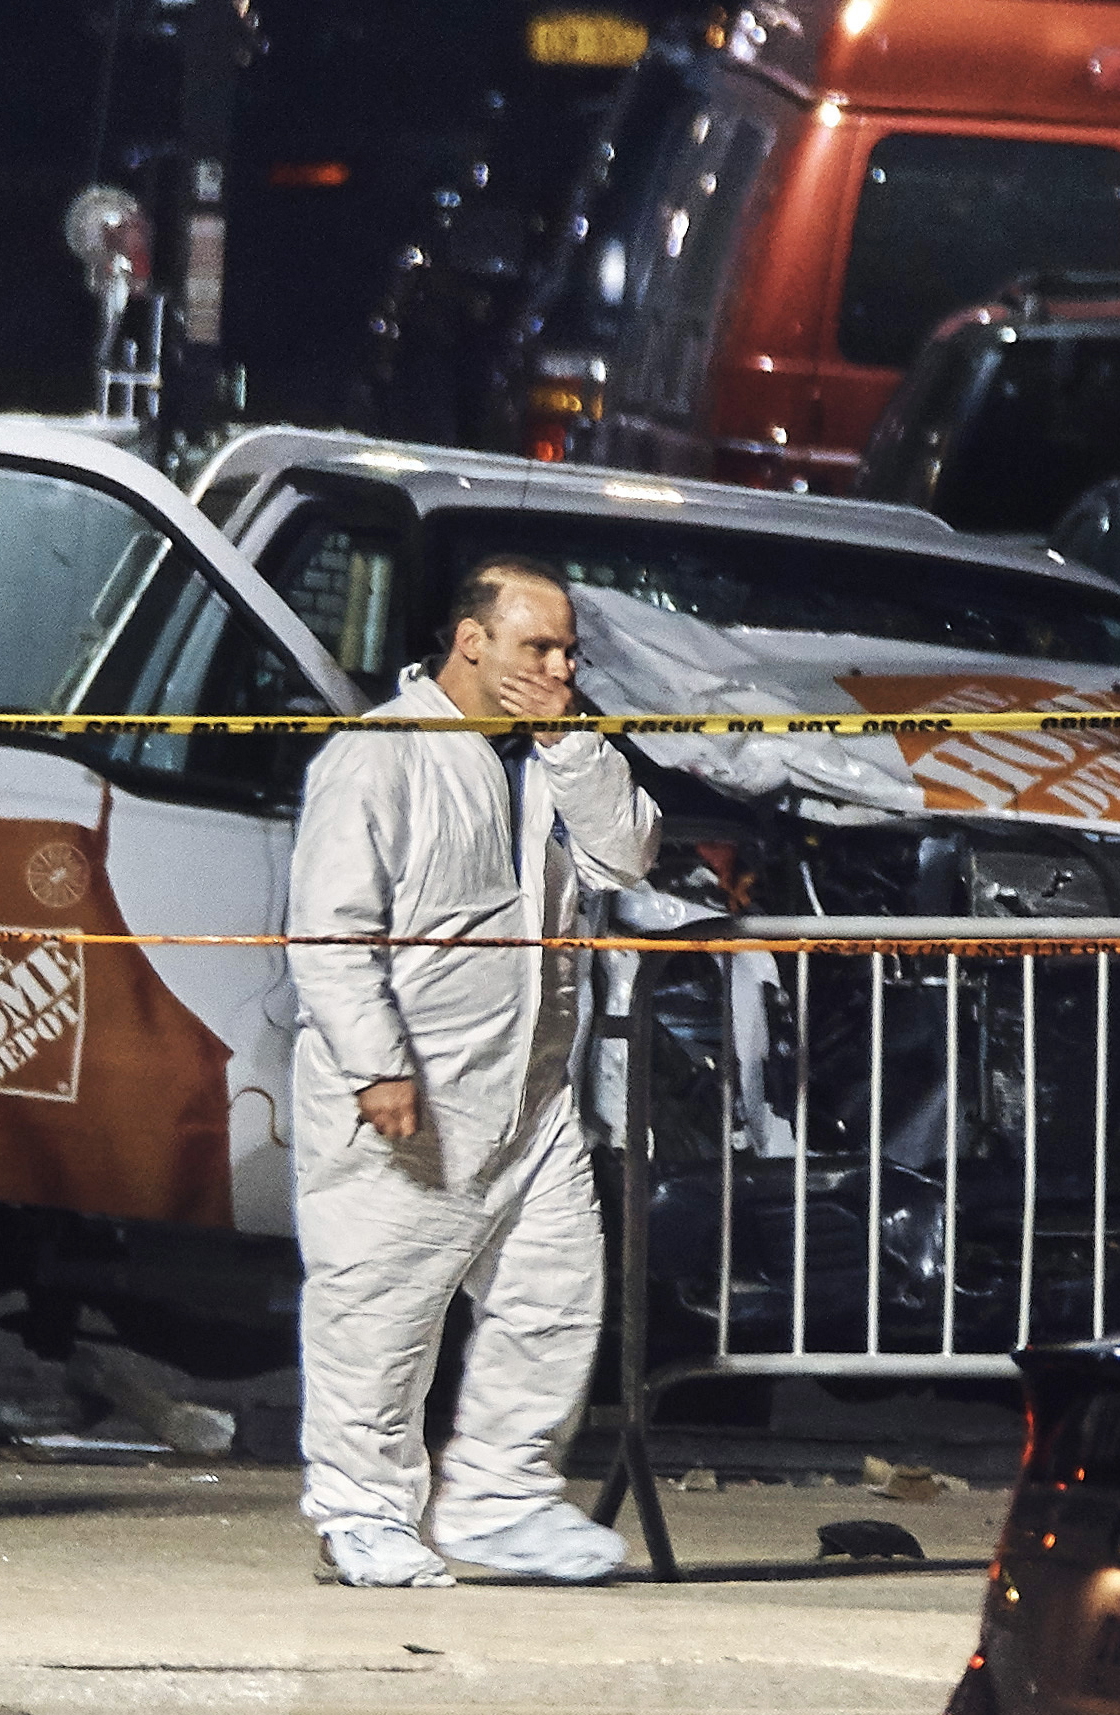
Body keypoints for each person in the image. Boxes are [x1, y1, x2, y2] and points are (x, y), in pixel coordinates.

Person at [285, 556, 660, 1587]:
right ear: (471, 641)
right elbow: (330, 926)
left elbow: (628, 854)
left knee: (553, 1296)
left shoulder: (551, 758)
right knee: (380, 1311)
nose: (560, 668)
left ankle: (502, 1499)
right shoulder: (380, 755)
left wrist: (571, 745)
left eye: (569, 652)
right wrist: (374, 1062)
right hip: (416, 1092)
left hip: (532, 1091)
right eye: (539, 647)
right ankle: (360, 1513)